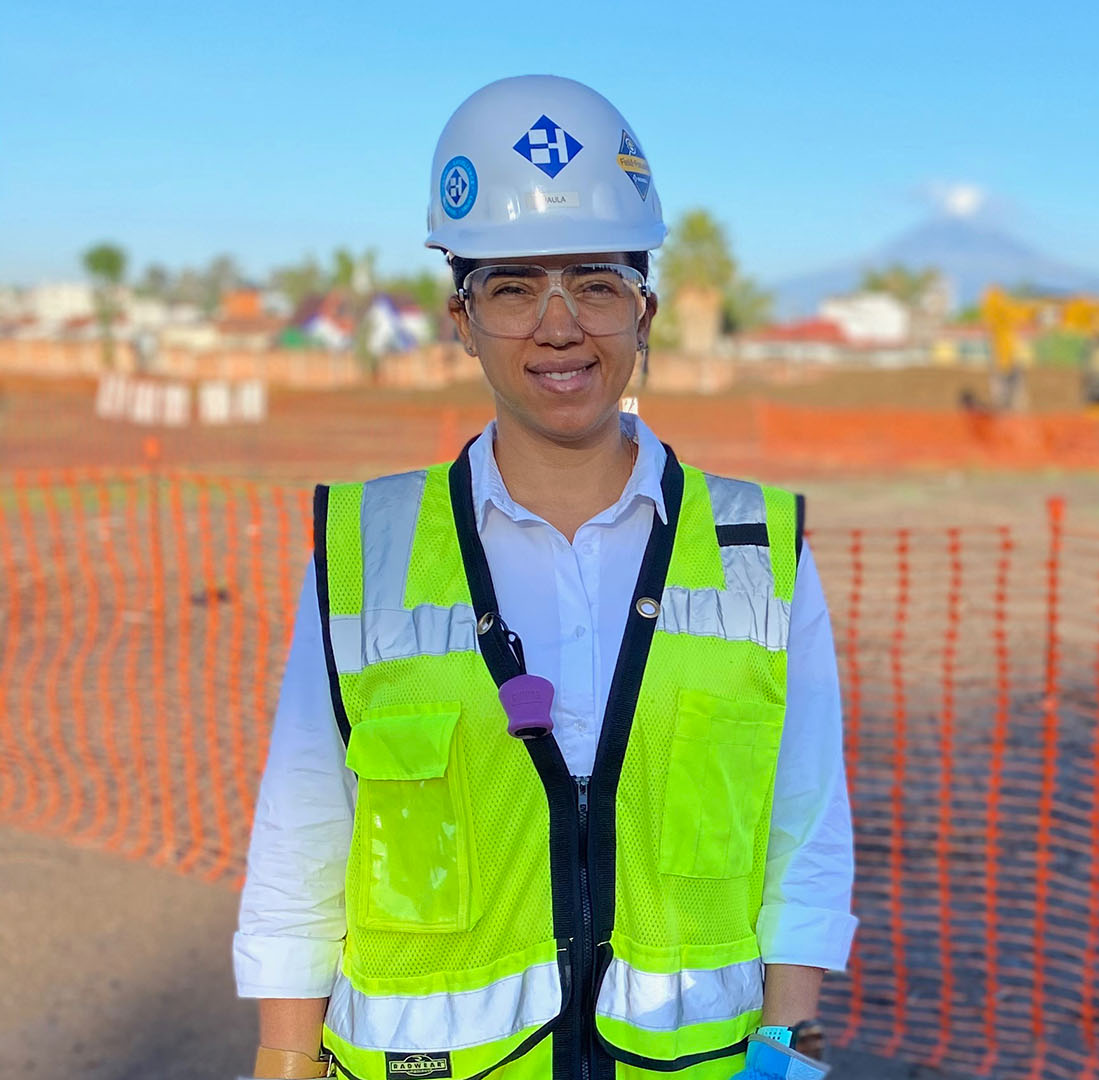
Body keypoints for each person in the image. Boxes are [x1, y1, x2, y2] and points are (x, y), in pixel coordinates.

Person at [233, 75, 856, 1080]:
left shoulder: (758, 547)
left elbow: (806, 828)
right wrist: (280, 1059)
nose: (559, 326)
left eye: (597, 284)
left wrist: (790, 1053)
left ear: (643, 311)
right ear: (461, 318)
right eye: (515, 286)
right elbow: (301, 836)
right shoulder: (368, 546)